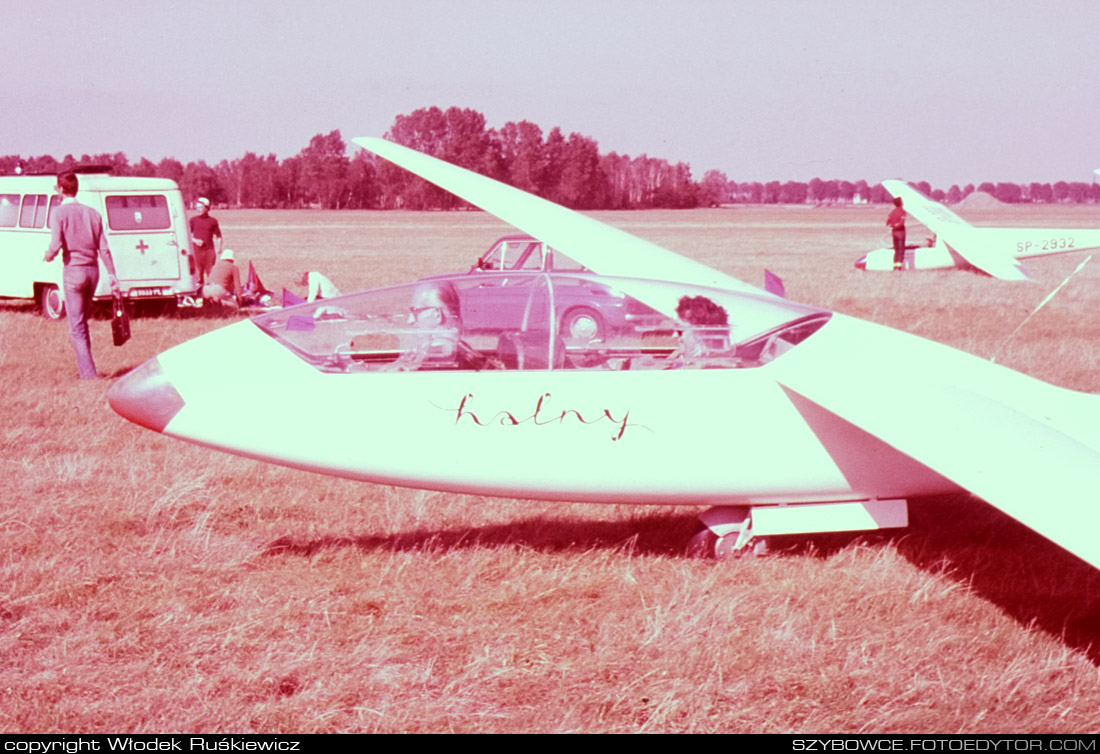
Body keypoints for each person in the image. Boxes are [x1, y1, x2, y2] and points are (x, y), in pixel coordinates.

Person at [44, 172, 121, 379]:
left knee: (76, 326)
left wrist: (48, 256)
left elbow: (56, 244)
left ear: (61, 189)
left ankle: (88, 375)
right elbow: (104, 249)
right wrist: (112, 274)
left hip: (74, 271)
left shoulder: (58, 213)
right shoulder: (93, 213)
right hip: (93, 271)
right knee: (82, 322)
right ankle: (86, 370)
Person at [189, 197, 222, 286]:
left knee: (210, 273)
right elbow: (187, 235)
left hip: (209, 250)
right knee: (198, 274)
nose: (198, 209)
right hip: (197, 251)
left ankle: (210, 293)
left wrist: (219, 248)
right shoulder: (193, 220)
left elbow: (219, 235)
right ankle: (199, 293)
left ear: (206, 208)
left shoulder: (213, 221)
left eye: (200, 207)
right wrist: (195, 241)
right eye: (197, 207)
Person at [886, 196, 906, 270]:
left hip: (894, 233)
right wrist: (896, 226)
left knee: (896, 250)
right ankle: (899, 267)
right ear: (901, 203)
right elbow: (901, 223)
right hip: (900, 233)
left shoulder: (892, 212)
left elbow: (888, 223)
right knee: (901, 250)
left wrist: (892, 227)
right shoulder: (902, 212)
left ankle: (895, 266)